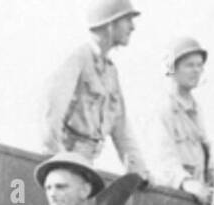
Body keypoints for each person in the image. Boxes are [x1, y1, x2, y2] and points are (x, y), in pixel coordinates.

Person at [43, 0, 149, 177]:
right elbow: (51, 114)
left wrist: (139, 170)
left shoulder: (110, 72)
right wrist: (58, 163)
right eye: (127, 20)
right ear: (110, 24)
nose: (133, 27)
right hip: (65, 163)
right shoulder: (77, 59)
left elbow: (121, 129)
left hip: (85, 164)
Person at [152, 37, 214, 202]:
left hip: (194, 197)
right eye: (189, 65)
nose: (196, 70)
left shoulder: (196, 110)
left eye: (199, 65)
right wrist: (187, 183)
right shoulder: (163, 108)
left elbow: (208, 160)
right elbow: (163, 159)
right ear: (172, 69)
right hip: (168, 195)